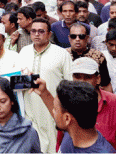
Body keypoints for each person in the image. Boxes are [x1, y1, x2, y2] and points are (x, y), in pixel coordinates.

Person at [19, 17, 72, 153]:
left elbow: (69, 83)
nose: (36, 34)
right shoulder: (24, 52)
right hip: (29, 108)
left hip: (52, 109)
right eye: (33, 31)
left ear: (49, 34)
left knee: (53, 145)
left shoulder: (61, 54)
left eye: (41, 31)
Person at [33, 79, 116, 153]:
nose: (53, 112)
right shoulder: (74, 130)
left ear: (67, 119)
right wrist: (44, 93)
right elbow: (62, 115)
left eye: (55, 109)